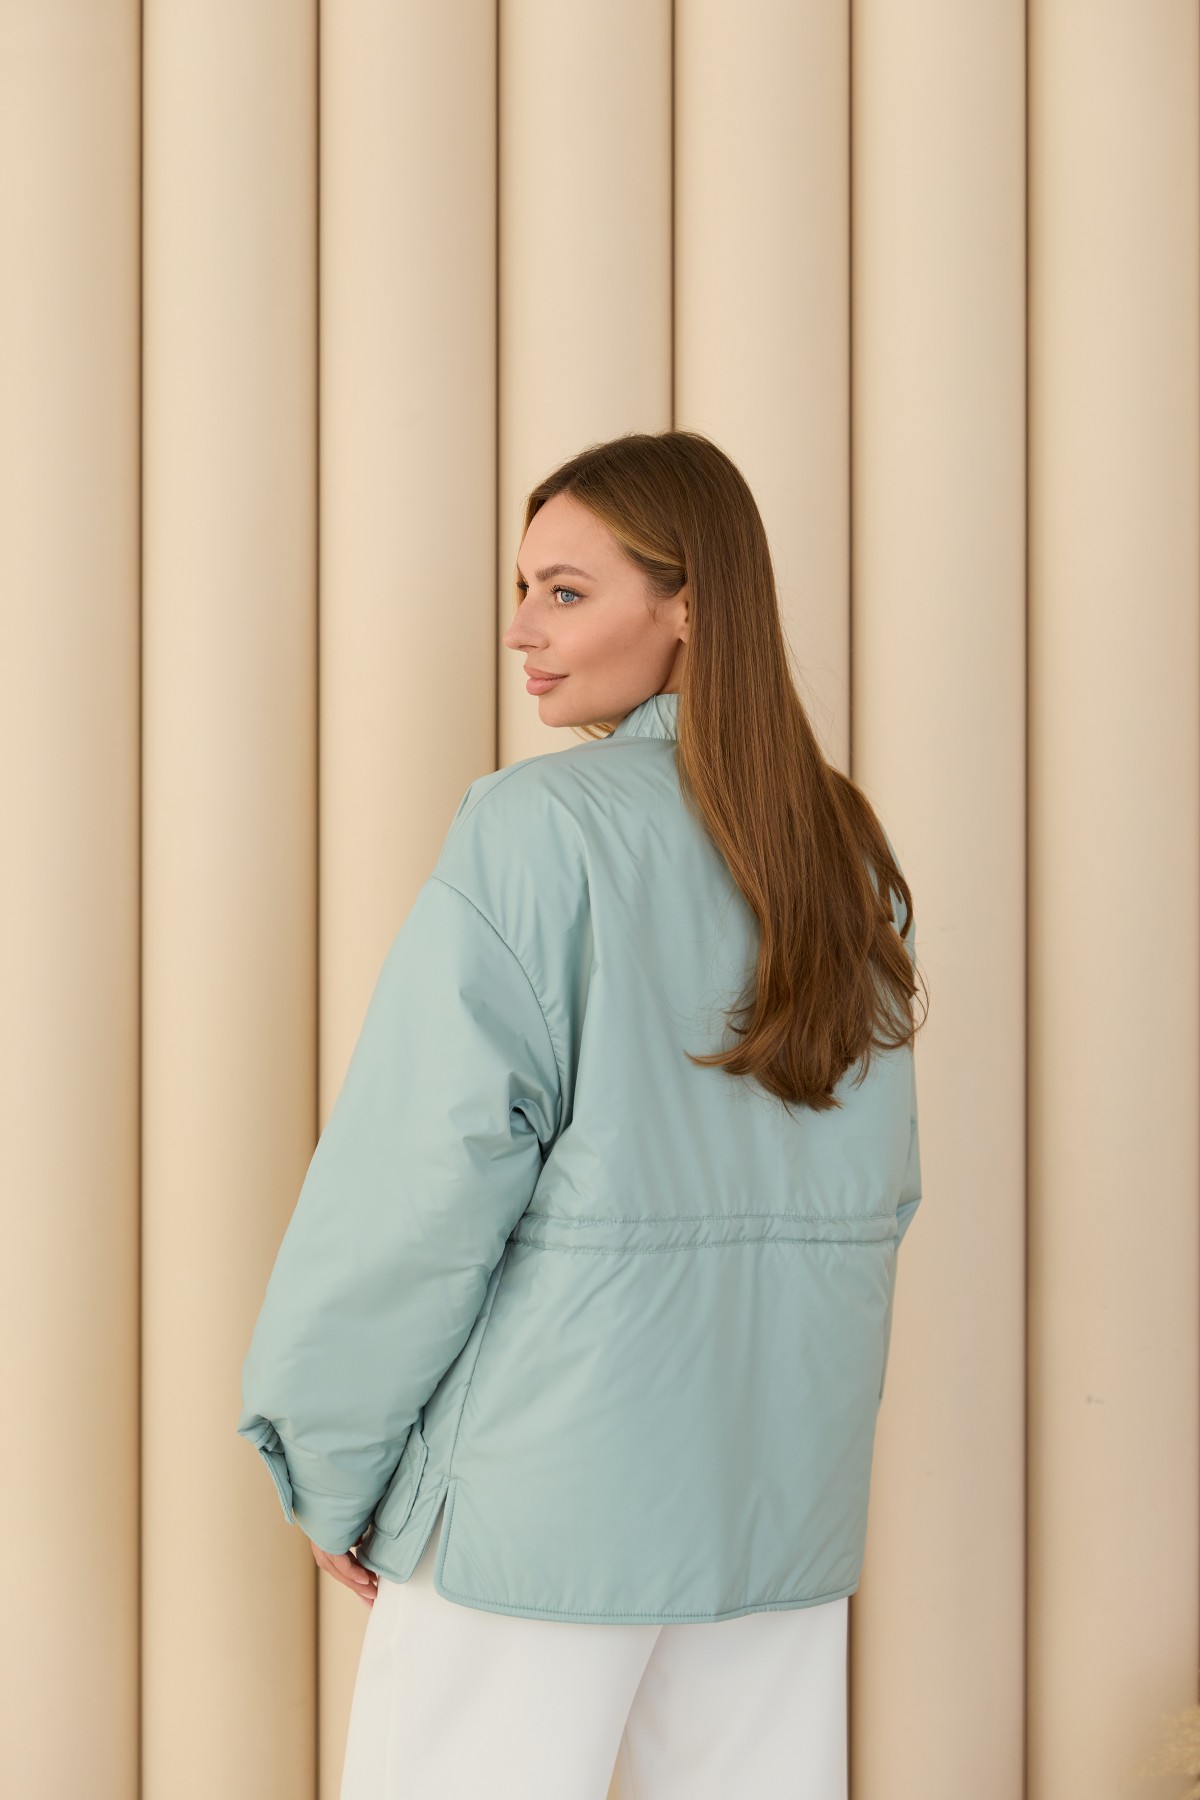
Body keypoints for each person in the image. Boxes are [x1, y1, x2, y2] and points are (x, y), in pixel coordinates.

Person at [236, 429, 926, 1799]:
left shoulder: (535, 828)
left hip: (543, 1497)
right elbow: (877, 1193)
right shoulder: (841, 850)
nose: (520, 630)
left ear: (688, 607)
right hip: (777, 1498)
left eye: (565, 591)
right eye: (523, 589)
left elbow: (420, 1181)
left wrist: (328, 1454)